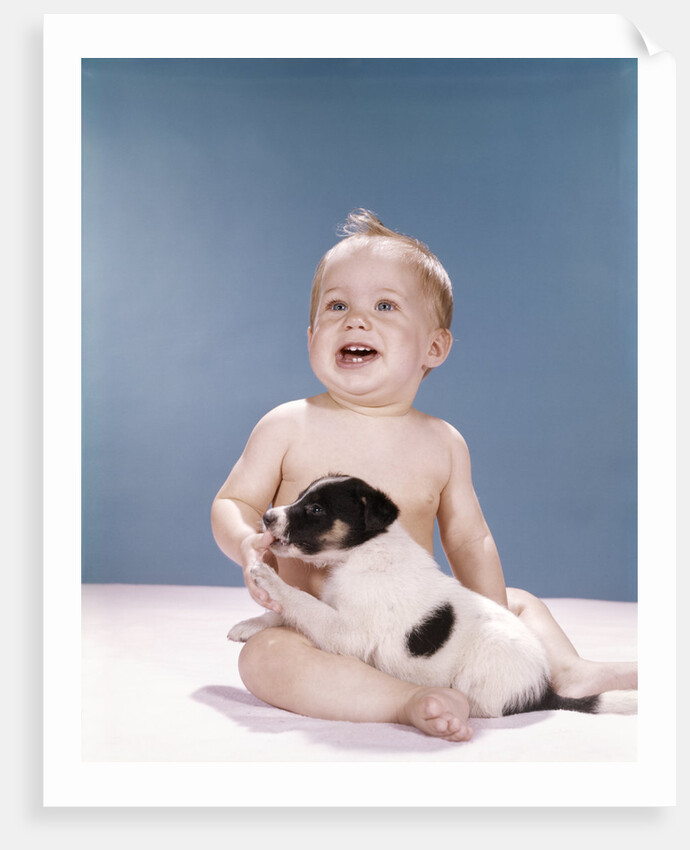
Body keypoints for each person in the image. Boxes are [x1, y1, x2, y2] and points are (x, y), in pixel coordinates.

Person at [211, 209, 637, 742]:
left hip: (415, 635)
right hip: (322, 627)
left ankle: (567, 672)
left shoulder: (442, 440)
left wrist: (492, 627)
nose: (356, 320)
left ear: (433, 347)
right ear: (312, 334)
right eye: (337, 305)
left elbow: (468, 538)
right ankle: (404, 701)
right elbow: (233, 503)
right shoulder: (287, 424)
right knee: (265, 658)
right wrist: (246, 546)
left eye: (384, 305)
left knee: (518, 602)